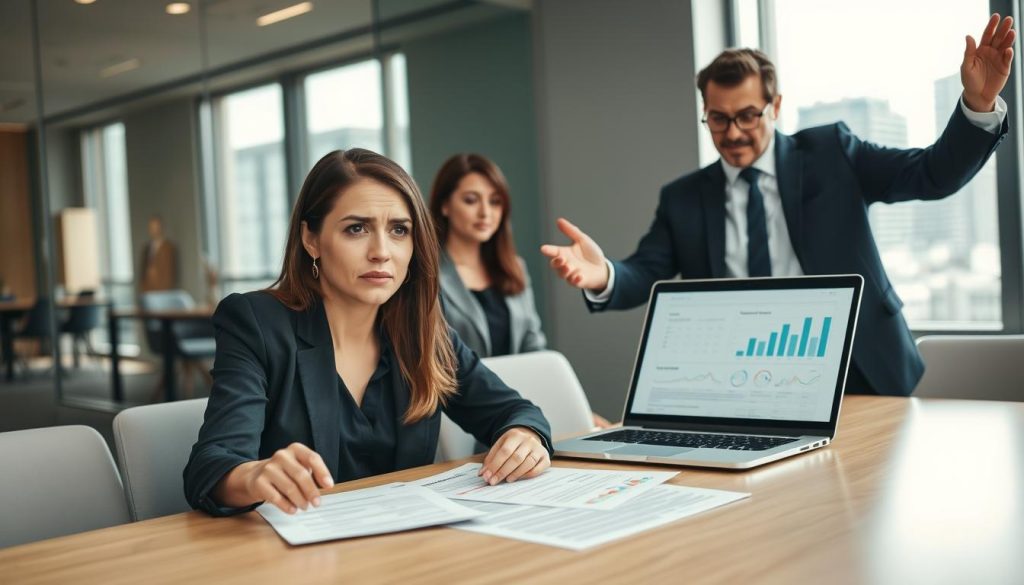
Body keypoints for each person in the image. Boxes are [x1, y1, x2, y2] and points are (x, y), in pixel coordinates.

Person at [541, 15, 1015, 397]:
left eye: (748, 115)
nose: (732, 133)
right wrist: (602, 274)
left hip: (860, 370)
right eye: (718, 119)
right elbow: (644, 272)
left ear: (776, 106)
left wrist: (977, 104)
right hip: (746, 384)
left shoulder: (832, 154)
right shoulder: (683, 198)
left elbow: (931, 175)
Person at [184, 149, 552, 517]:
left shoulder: (422, 330)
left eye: (399, 230)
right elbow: (211, 465)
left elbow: (516, 411)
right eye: (356, 228)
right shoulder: (257, 323)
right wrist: (253, 475)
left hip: (405, 550)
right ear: (311, 239)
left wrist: (524, 436)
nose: (381, 252)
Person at [429, 153, 612, 428]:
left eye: (495, 201)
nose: (485, 212)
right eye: (470, 200)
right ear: (444, 205)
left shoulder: (514, 268)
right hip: (455, 418)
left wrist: (576, 411)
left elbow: (536, 355)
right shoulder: (428, 276)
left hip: (515, 413)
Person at [138, 215, 178, 293]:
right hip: (148, 290)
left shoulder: (169, 248)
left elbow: (170, 273)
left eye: (156, 227)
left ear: (161, 228)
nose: (153, 230)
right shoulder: (146, 248)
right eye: (151, 227)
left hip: (163, 291)